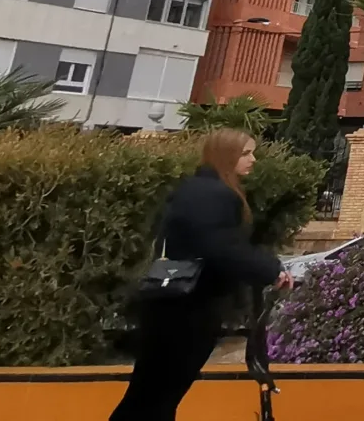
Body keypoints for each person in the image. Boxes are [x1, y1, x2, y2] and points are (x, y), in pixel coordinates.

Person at [111, 129, 291, 421]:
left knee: (151, 396)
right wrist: (271, 270)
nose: (253, 160)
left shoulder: (195, 189)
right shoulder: (214, 194)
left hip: (169, 306)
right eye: (245, 153)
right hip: (186, 310)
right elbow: (220, 246)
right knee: (156, 398)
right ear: (225, 155)